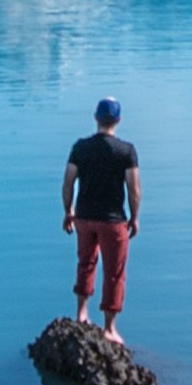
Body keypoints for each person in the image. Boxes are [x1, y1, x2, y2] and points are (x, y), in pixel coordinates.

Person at [62, 97, 141, 344]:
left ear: (96, 118)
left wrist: (68, 211)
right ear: (118, 120)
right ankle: (109, 328)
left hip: (84, 218)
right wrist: (135, 217)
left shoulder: (80, 147)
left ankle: (82, 314)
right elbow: (134, 189)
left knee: (86, 263)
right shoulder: (126, 151)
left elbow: (68, 181)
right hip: (113, 220)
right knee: (114, 272)